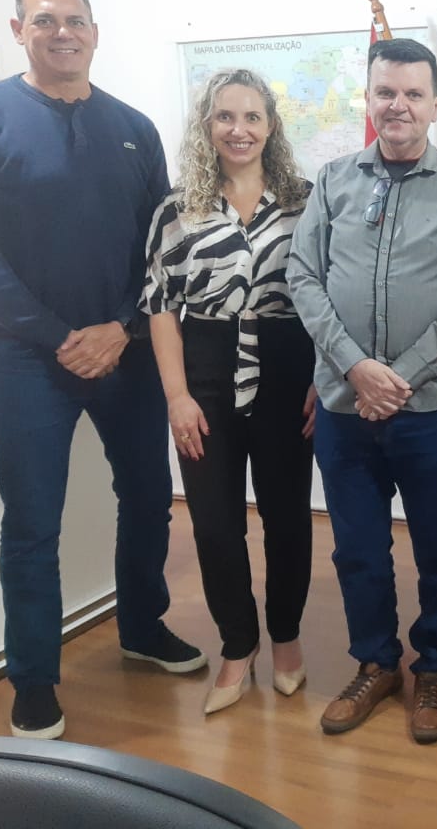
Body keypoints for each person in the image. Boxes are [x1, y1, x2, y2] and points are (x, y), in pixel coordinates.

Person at [0, 0, 205, 740]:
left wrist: (119, 329)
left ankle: (142, 627)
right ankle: (33, 681)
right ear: (18, 32)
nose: (62, 32)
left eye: (75, 20)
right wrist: (58, 337)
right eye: (45, 21)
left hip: (127, 350)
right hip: (27, 358)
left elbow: (162, 250)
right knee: (32, 521)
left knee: (146, 498)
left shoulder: (133, 126)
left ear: (96, 32)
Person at [288, 37, 437, 744]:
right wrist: (354, 368)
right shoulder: (335, 178)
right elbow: (303, 278)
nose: (396, 105)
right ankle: (377, 663)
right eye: (384, 92)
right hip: (345, 410)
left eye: (411, 94)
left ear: (435, 105)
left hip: (428, 409)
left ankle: (434, 664)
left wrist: (397, 376)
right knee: (358, 550)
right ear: (367, 100)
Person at [142, 69, 316, 715]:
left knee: (288, 519)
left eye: (251, 117)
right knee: (214, 526)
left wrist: (323, 379)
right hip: (205, 371)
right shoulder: (177, 205)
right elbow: (159, 306)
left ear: (271, 126)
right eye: (225, 117)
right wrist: (177, 396)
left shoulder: (305, 199)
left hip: (287, 366)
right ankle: (238, 646)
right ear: (207, 125)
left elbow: (329, 293)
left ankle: (289, 639)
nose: (238, 130)